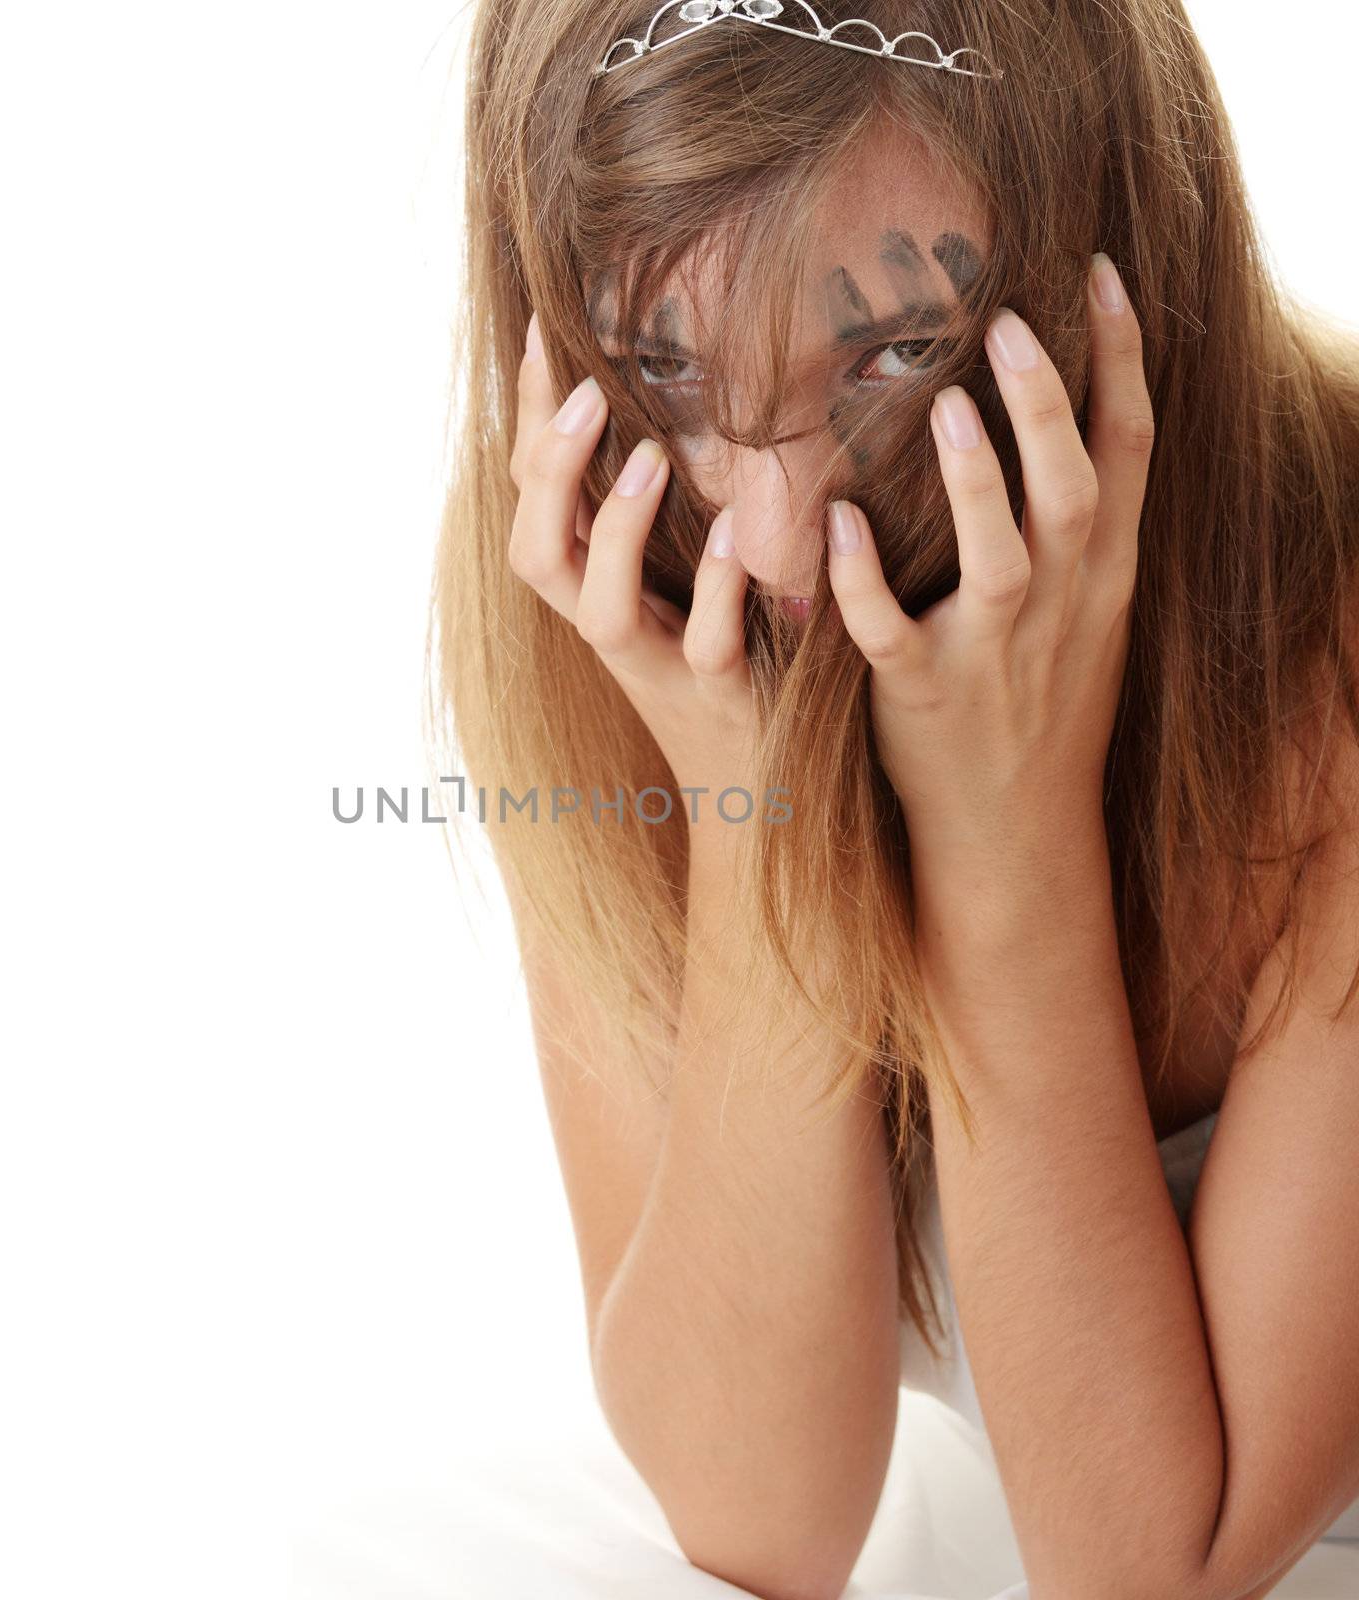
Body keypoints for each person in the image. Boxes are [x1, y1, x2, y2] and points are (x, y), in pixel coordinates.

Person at [428, 2, 1359, 1595]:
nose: (775, 541)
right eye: (663, 363)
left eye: (897, 350)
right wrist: (753, 810)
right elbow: (762, 1519)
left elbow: (1165, 1570)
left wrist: (1008, 838)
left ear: (1124, 271)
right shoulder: (598, 576)